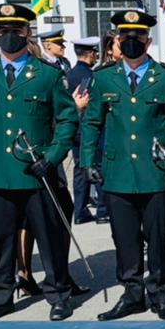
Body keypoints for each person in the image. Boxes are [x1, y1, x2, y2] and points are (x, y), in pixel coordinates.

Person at [0, 4, 78, 321]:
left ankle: (59, 294)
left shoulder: (48, 75)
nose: (9, 36)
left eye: (16, 30)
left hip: (38, 173)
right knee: (3, 240)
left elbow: (66, 121)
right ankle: (0, 297)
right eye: (3, 30)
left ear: (28, 33)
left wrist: (52, 156)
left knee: (50, 238)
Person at [80, 9, 165, 321]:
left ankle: (159, 295)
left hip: (155, 173)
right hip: (117, 174)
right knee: (124, 239)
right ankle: (132, 294)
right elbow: (92, 123)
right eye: (125, 36)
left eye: (138, 36)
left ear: (148, 39)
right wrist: (87, 160)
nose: (132, 41)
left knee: (157, 238)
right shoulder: (104, 78)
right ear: (117, 40)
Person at [67, 37, 102, 223]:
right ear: (90, 54)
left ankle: (79, 211)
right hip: (87, 128)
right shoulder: (90, 75)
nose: (96, 56)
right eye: (95, 53)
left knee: (80, 172)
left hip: (75, 128)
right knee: (97, 166)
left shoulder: (70, 73)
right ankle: (103, 210)